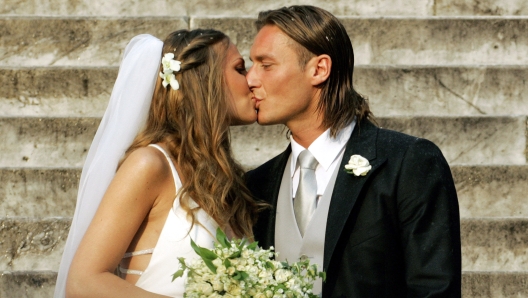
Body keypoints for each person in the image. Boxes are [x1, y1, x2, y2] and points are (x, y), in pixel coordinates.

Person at [245, 5, 462, 297]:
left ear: (319, 69)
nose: (250, 79)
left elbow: (433, 288)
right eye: (250, 65)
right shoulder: (256, 184)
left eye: (266, 65)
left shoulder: (408, 162)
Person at [54, 29, 261, 297]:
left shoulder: (225, 181)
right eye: (240, 68)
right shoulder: (150, 165)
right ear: (204, 80)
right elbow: (84, 282)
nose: (252, 79)